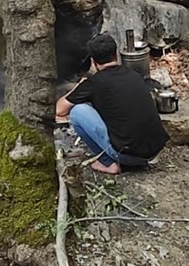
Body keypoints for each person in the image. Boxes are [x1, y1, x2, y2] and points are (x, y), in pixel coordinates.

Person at [55, 35, 169, 175]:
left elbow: (60, 110)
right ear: (116, 55)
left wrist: (78, 87)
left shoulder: (93, 83)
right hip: (155, 150)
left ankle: (108, 163)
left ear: (93, 61)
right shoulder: (134, 74)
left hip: (129, 156)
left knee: (78, 112)